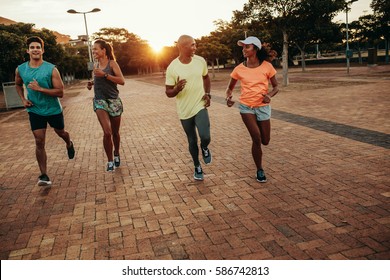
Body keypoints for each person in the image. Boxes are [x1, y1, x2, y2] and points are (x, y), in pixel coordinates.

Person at [15, 36, 75, 187]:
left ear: (42, 50)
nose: (35, 50)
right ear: (27, 50)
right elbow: (17, 84)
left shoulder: (51, 69)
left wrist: (40, 88)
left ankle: (68, 142)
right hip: (35, 109)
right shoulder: (21, 69)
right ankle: (44, 175)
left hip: (53, 109)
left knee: (61, 132)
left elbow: (60, 92)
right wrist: (23, 99)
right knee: (39, 140)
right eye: (32, 47)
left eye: (38, 47)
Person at [225, 36, 279, 183]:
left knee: (265, 141)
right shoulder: (239, 69)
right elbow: (229, 88)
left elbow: (276, 87)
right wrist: (228, 97)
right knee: (256, 138)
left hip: (263, 107)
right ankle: (259, 169)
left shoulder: (267, 66)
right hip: (246, 107)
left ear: (255, 49)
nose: (243, 49)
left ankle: (260, 159)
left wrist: (269, 96)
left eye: (247, 47)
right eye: (243, 47)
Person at [165, 35, 212, 181]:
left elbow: (206, 77)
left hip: (199, 104)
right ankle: (197, 166)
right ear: (182, 47)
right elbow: (168, 92)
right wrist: (177, 88)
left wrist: (208, 93)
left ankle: (205, 147)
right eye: (192, 45)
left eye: (195, 44)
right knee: (192, 140)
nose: (195, 47)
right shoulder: (172, 67)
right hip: (184, 110)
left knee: (205, 136)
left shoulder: (200, 61)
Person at [87, 39, 125, 172]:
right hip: (100, 101)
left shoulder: (112, 64)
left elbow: (121, 81)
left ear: (104, 50)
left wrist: (105, 75)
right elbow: (98, 78)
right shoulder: (95, 64)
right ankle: (109, 161)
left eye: (96, 49)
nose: (93, 51)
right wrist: (91, 83)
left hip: (113, 101)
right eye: (93, 49)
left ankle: (116, 153)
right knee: (107, 132)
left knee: (115, 133)